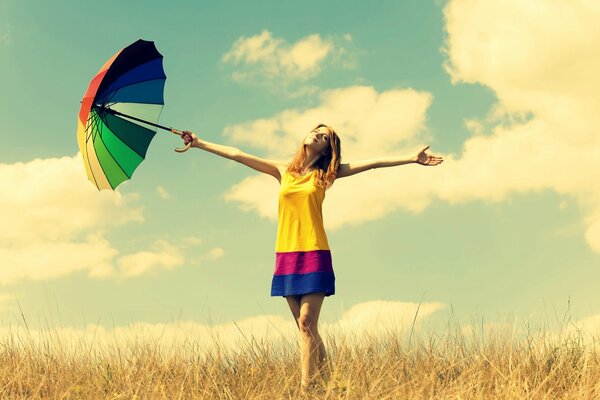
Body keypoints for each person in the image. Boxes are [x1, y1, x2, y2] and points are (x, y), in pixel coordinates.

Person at [176, 124, 443, 393]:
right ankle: (332, 386)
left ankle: (306, 389)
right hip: (286, 255)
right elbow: (237, 154)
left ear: (328, 149)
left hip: (315, 252)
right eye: (316, 130)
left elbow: (372, 163)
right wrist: (200, 143)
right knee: (307, 329)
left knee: (306, 322)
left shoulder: (327, 174)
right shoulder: (284, 171)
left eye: (324, 136)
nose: (317, 134)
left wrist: (410, 158)